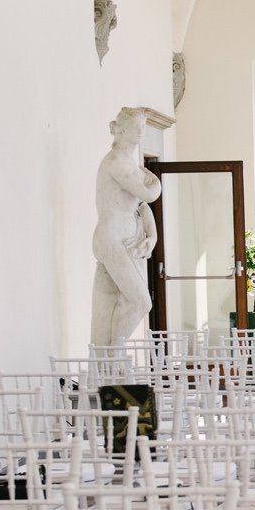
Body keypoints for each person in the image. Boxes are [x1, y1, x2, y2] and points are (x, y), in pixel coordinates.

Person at [88, 107, 161, 345]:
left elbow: (141, 206)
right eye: (136, 127)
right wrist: (156, 183)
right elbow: (149, 195)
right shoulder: (116, 162)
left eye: (143, 127)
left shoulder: (129, 164)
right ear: (121, 130)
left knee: (107, 304)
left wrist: (153, 235)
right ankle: (114, 355)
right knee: (141, 301)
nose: (141, 132)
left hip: (120, 242)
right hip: (113, 240)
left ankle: (101, 368)